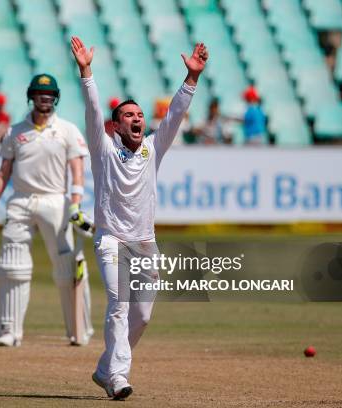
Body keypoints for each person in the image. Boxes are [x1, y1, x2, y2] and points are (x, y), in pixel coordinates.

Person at [71, 36, 208, 399]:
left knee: (143, 316)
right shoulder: (103, 151)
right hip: (112, 239)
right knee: (119, 305)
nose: (137, 119)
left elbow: (176, 115)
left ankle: (104, 368)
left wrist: (191, 79)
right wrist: (86, 72)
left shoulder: (152, 147)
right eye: (128, 115)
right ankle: (118, 377)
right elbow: (92, 110)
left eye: (140, 115)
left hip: (145, 242)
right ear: (116, 127)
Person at [0, 73, 94, 347]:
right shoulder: (15, 132)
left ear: (55, 99)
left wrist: (75, 205)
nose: (44, 100)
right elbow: (3, 173)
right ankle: (9, 331)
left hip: (56, 201)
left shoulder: (68, 130)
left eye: (49, 96)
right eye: (40, 95)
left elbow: (77, 171)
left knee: (66, 267)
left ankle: (79, 328)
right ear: (31, 97)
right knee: (12, 265)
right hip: (21, 201)